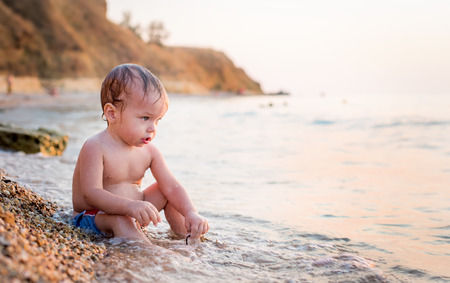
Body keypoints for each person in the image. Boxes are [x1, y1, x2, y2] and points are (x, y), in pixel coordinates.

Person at [72, 64, 209, 244]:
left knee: (166, 191)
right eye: (145, 118)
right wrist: (130, 207)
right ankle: (150, 253)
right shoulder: (95, 146)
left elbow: (172, 187)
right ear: (112, 114)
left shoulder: (150, 152)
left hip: (134, 213)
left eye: (157, 120)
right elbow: (91, 194)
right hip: (94, 217)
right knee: (121, 219)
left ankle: (188, 238)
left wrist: (191, 212)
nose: (152, 128)